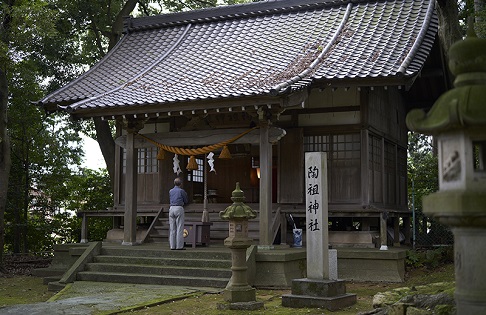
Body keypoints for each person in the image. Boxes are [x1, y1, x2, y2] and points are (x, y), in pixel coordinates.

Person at [168, 177, 189, 250]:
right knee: (179, 227)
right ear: (181, 184)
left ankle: (172, 246)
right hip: (179, 208)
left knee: (172, 228)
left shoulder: (170, 191)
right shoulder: (181, 191)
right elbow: (186, 200)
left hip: (171, 208)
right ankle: (179, 246)